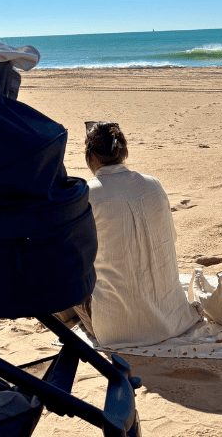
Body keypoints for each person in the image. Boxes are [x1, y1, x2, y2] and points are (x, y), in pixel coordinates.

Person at [56, 121, 200, 348]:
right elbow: (169, 239)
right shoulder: (154, 184)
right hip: (173, 318)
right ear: (123, 151)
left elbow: (72, 256)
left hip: (117, 329)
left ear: (90, 156)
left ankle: (68, 313)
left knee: (57, 269)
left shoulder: (88, 194)